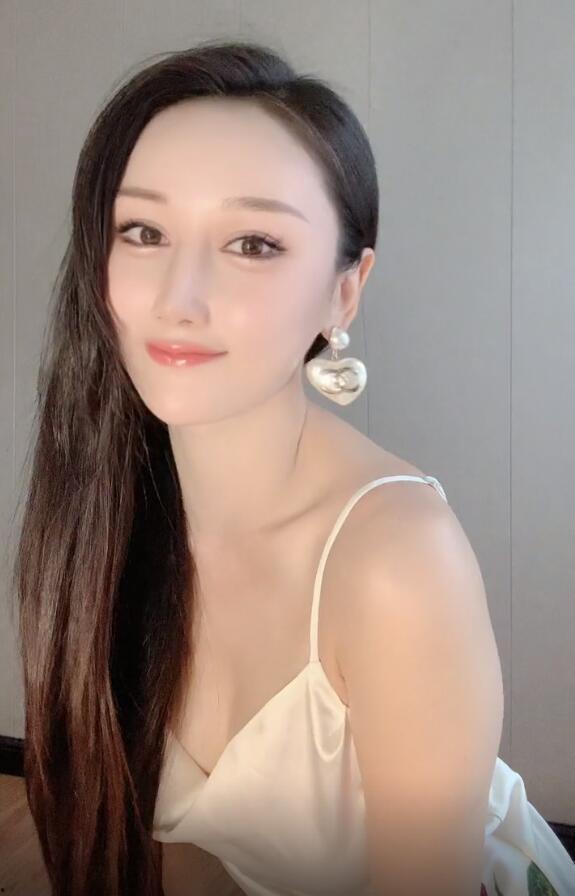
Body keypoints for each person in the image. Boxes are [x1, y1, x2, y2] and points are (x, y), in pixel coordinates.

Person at [11, 38, 575, 896]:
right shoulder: (110, 510)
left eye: (252, 243)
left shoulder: (396, 564)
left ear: (344, 290)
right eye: (143, 232)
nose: (177, 298)